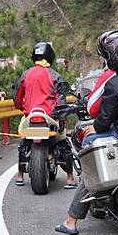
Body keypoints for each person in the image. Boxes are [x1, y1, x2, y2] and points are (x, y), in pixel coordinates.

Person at [55, 30, 118, 235]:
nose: (106, 59)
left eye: (107, 55)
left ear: (115, 56)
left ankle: (71, 220)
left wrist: (96, 127)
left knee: (91, 153)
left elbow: (104, 120)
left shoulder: (115, 83)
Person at [13, 41, 76, 188]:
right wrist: (61, 119)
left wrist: (23, 107)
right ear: (50, 56)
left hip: (30, 116)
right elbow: (60, 100)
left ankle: (20, 175)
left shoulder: (26, 74)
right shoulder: (54, 75)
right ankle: (70, 178)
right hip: (50, 117)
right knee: (62, 141)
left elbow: (17, 98)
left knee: (23, 142)